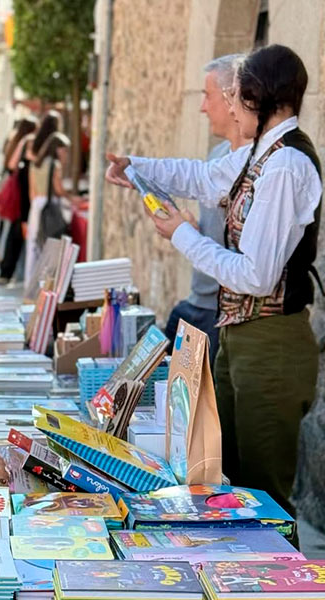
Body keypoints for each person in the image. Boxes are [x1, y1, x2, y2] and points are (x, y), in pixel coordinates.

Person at [106, 45, 320, 520]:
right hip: (243, 338)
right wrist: (135, 167)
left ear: (257, 98)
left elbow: (256, 276)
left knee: (265, 497)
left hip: (271, 343)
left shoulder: (285, 165)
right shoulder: (262, 154)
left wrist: (182, 234)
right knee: (233, 485)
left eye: (235, 97)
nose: (228, 108)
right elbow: (203, 178)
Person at [163, 54, 250, 366]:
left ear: (230, 98)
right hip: (196, 302)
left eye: (207, 95)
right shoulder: (216, 155)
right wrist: (189, 228)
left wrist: (184, 234)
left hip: (223, 313)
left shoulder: (260, 167)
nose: (202, 107)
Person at [0, 113, 58, 285]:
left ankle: (8, 272)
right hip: (33, 193)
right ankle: (26, 275)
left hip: (25, 190)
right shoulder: (47, 144)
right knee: (30, 236)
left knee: (18, 233)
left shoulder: (29, 141)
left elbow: (11, 165)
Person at [24, 131, 72, 283]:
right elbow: (58, 189)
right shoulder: (55, 164)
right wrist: (72, 198)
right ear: (57, 148)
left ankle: (30, 282)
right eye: (64, 150)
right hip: (49, 205)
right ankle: (46, 282)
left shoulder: (35, 163)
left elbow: (31, 190)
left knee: (34, 245)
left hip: (36, 205)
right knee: (50, 245)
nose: (65, 154)